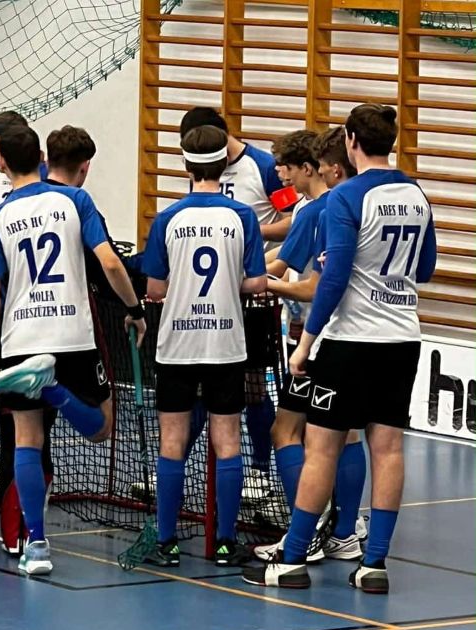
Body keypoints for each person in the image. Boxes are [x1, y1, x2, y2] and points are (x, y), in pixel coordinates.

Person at [242, 104, 437, 593]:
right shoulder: (415, 193)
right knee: (388, 448)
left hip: (351, 341)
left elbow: (333, 279)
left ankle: (292, 559)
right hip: (402, 338)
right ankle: (374, 564)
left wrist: (305, 344)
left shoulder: (348, 196)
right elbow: (425, 267)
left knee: (321, 448)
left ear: (351, 141)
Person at [0, 124, 146, 575]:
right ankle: (54, 390)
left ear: (1, 162)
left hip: (20, 338)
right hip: (71, 333)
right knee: (101, 429)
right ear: (41, 158)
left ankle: (36, 546)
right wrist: (134, 308)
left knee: (27, 441)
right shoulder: (74, 201)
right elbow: (109, 262)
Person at [142, 124, 267, 567]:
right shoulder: (242, 217)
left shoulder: (168, 218)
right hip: (225, 342)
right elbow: (256, 282)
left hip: (177, 343)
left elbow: (155, 288)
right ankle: (226, 542)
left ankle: (166, 542)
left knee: (172, 440)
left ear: (186, 165)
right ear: (224, 162)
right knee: (228, 439)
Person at [253, 128, 367, 563]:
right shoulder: (351, 204)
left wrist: (253, 282)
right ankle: (345, 530)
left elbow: (305, 281)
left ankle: (306, 528)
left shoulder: (320, 210)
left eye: (289, 168)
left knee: (285, 431)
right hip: (355, 336)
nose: (283, 176)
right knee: (348, 432)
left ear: (315, 168)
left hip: (316, 339)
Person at [179, 108, 294, 486]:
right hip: (210, 295)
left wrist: (250, 228)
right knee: (201, 383)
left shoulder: (263, 167)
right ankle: (176, 465)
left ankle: (260, 472)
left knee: (253, 385)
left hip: (251, 295)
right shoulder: (202, 172)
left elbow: (293, 219)